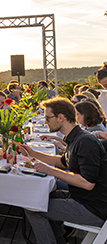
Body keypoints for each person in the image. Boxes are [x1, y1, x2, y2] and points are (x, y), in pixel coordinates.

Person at [22, 98, 107, 244]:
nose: (45, 122)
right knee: (39, 196)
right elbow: (62, 162)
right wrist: (33, 153)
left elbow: (87, 183)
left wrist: (51, 171)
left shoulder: (85, 142)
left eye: (48, 118)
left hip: (94, 208)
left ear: (61, 117)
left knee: (33, 207)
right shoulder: (75, 137)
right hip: (82, 198)